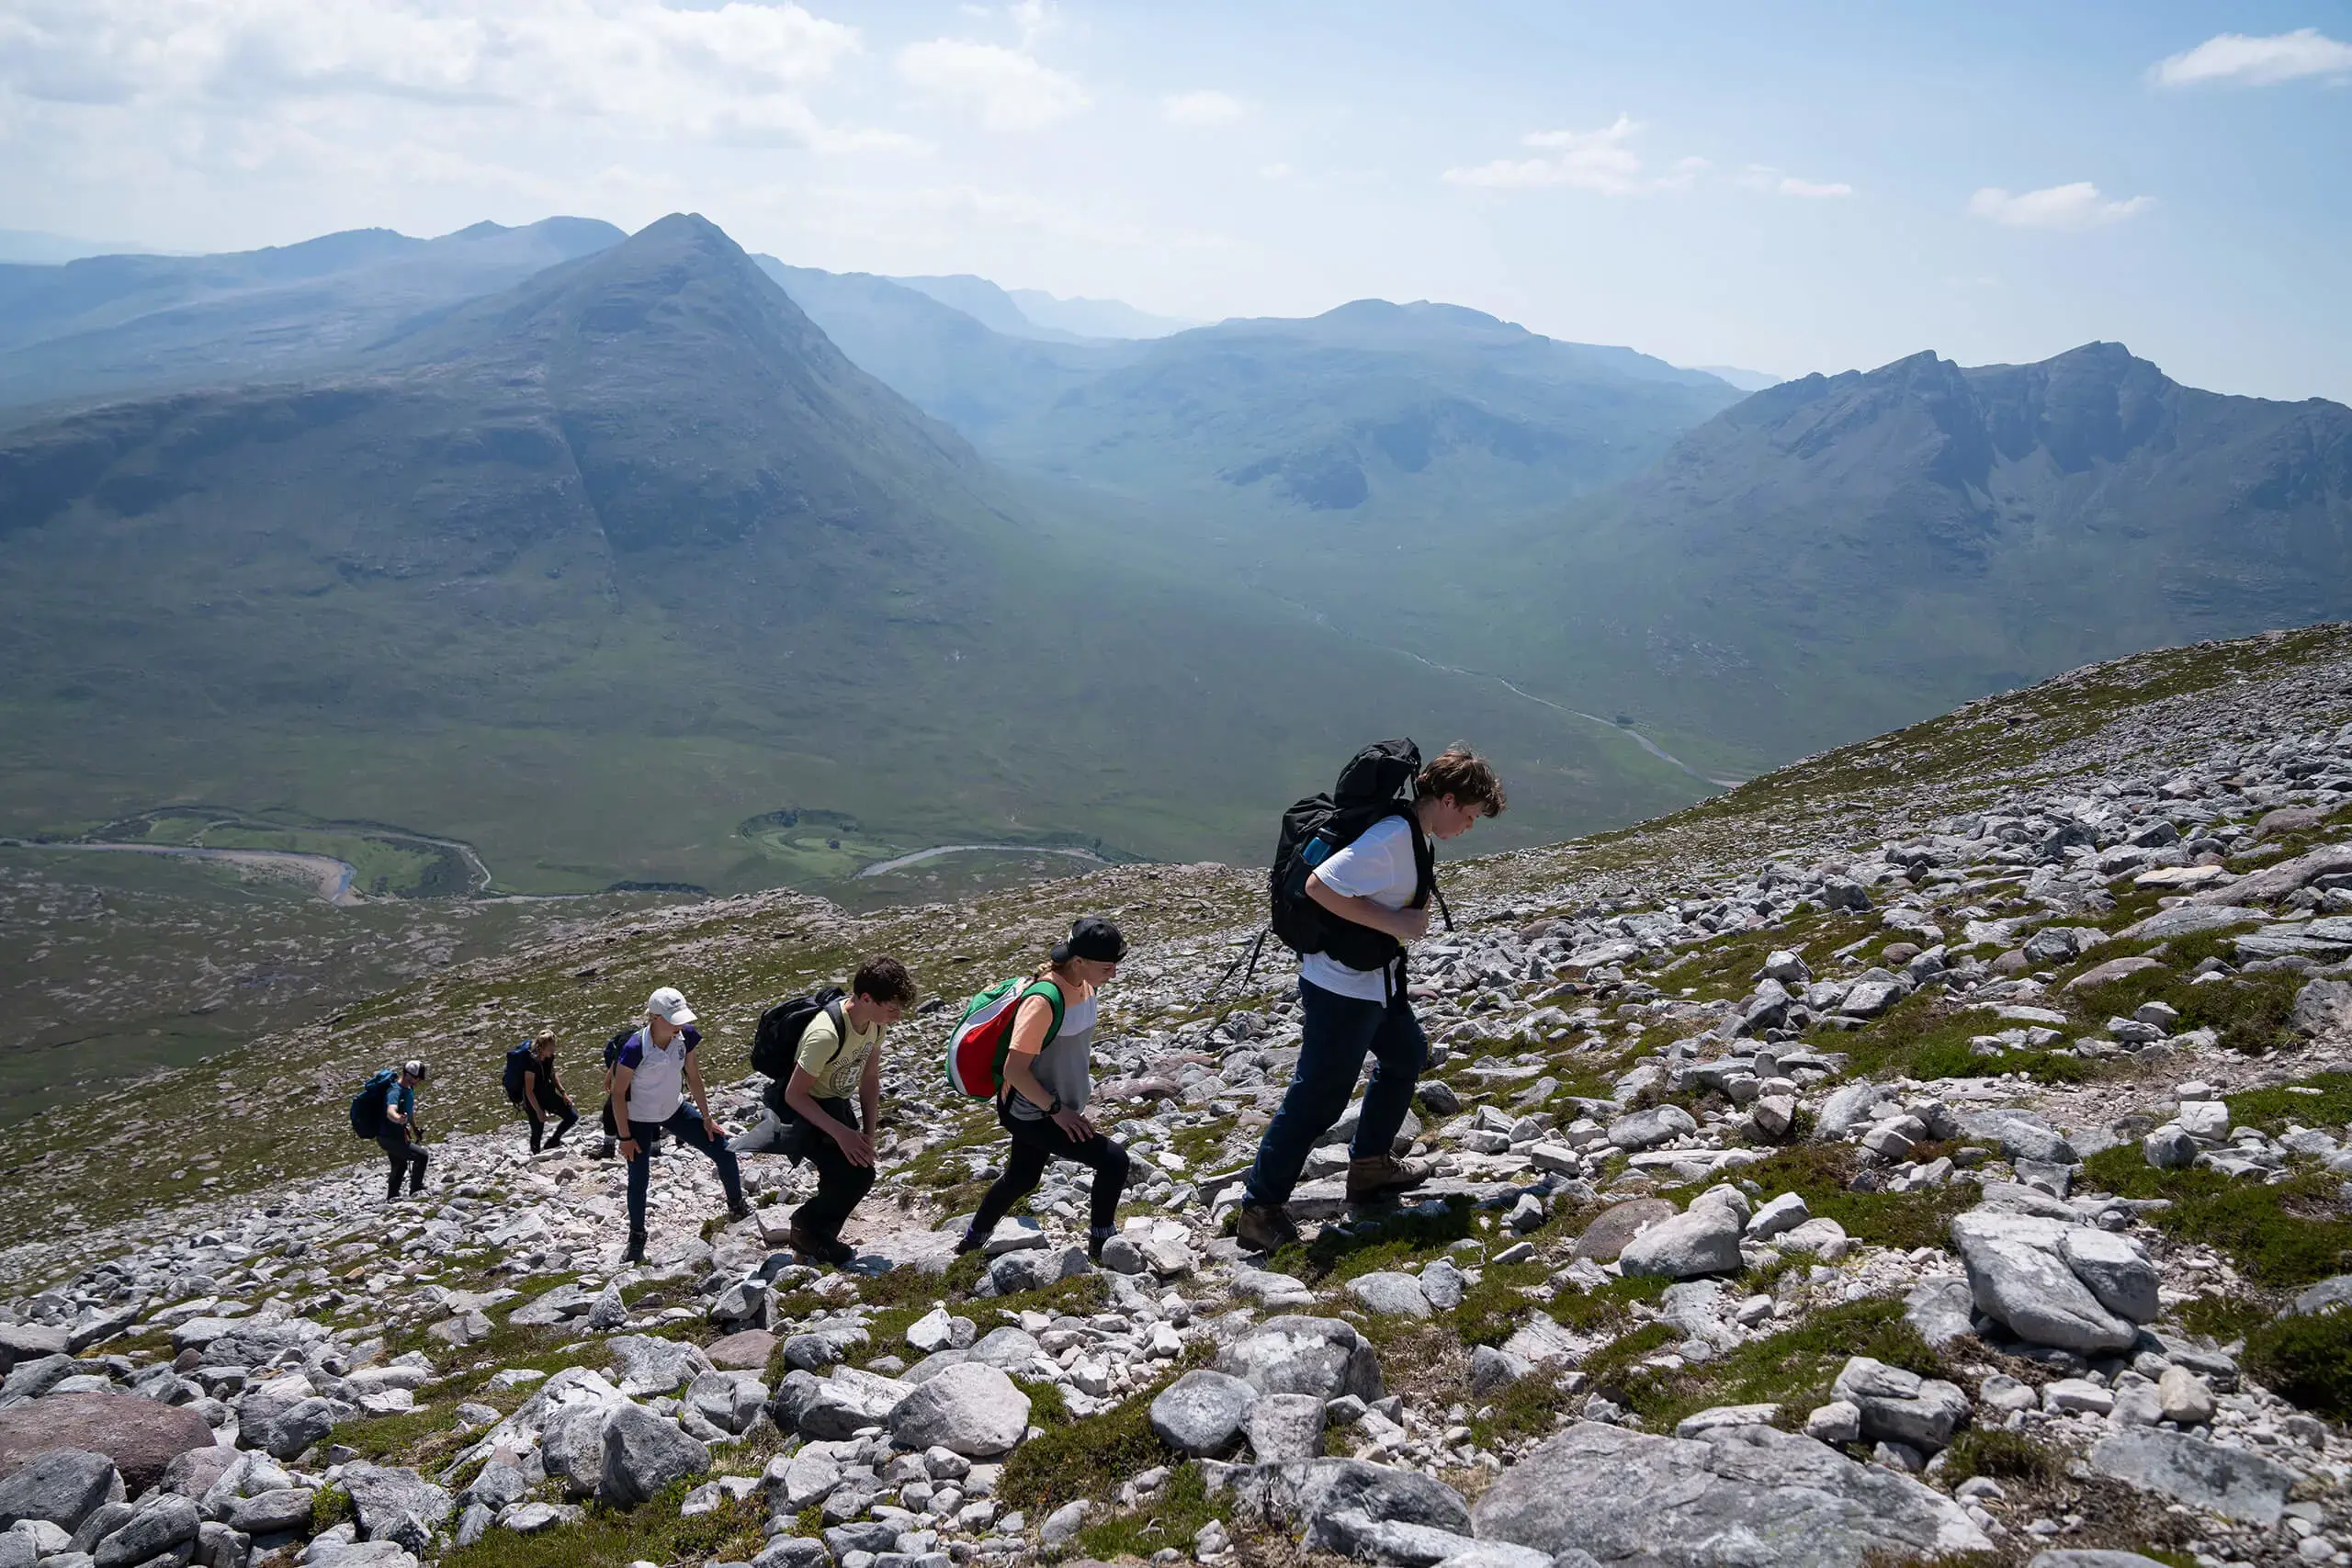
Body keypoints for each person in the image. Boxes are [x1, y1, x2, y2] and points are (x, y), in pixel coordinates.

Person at [1236, 746, 1506, 1254]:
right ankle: (1260, 1209)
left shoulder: (1411, 831)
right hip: (1343, 988)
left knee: (1405, 1054)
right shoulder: (1391, 836)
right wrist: (1397, 924)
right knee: (1317, 1100)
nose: (1468, 827)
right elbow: (1320, 886)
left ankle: (1369, 1169)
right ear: (1446, 800)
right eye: (1468, 815)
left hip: (1378, 983)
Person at [959, 917, 1132, 1263]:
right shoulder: (1043, 1000)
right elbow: (1014, 1070)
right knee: (1113, 1160)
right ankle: (1102, 1247)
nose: (1114, 972)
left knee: (1022, 1177)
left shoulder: (1086, 985)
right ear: (1078, 961)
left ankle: (972, 1242)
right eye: (1107, 966)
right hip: (1031, 1111)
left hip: (1050, 1106)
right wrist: (1059, 1111)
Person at [769, 957, 916, 1265]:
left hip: (836, 1102)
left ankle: (814, 1244)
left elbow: (870, 1078)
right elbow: (794, 1094)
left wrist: (867, 1134)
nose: (897, 1016)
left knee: (848, 1174)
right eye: (891, 1008)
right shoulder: (826, 1034)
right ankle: (804, 1227)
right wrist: (842, 1134)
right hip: (807, 1110)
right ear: (866, 998)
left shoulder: (874, 1025)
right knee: (857, 1177)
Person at [611, 986, 751, 1264]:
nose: (681, 1025)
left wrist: (708, 1118)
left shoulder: (685, 1038)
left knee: (723, 1149)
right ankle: (637, 1238)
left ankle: (736, 1206)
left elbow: (694, 1077)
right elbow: (617, 1093)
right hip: (638, 1117)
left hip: (674, 1109)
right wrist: (625, 1137)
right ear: (655, 1018)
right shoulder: (635, 1047)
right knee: (639, 1179)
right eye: (674, 1019)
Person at [376, 1059, 431, 1202]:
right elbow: (390, 1111)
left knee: (399, 1164)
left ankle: (392, 1197)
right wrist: (398, 1119)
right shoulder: (395, 1090)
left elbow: (409, 1110)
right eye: (417, 1078)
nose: (418, 1081)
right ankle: (416, 1189)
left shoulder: (408, 1089)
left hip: (392, 1136)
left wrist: (414, 1128)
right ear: (408, 1075)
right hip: (390, 1137)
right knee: (422, 1156)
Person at [519, 1037, 578, 1154]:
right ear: (541, 1048)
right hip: (533, 1100)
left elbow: (552, 1074)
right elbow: (529, 1091)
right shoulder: (531, 1063)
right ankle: (535, 1157)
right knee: (537, 1131)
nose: (553, 1050)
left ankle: (554, 1140)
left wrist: (563, 1093)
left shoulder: (549, 1057)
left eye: (553, 1047)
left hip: (548, 1094)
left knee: (572, 1116)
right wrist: (539, 1111)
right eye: (550, 1048)